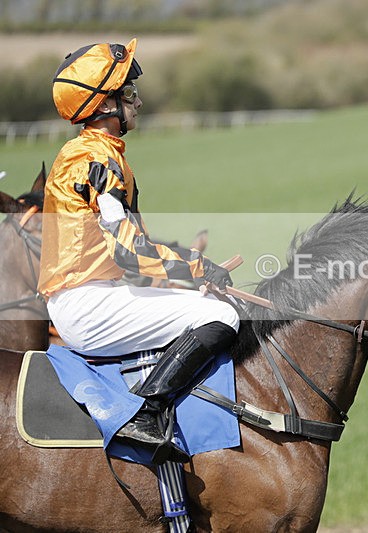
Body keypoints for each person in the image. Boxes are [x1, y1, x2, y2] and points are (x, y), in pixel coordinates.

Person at [39, 39, 240, 464]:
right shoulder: (95, 160)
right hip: (88, 302)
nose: (138, 101)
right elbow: (132, 254)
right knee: (222, 316)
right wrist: (199, 268)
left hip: (97, 293)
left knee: (203, 302)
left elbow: (133, 250)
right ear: (104, 104)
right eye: (129, 93)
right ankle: (147, 412)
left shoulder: (98, 154)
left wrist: (194, 275)